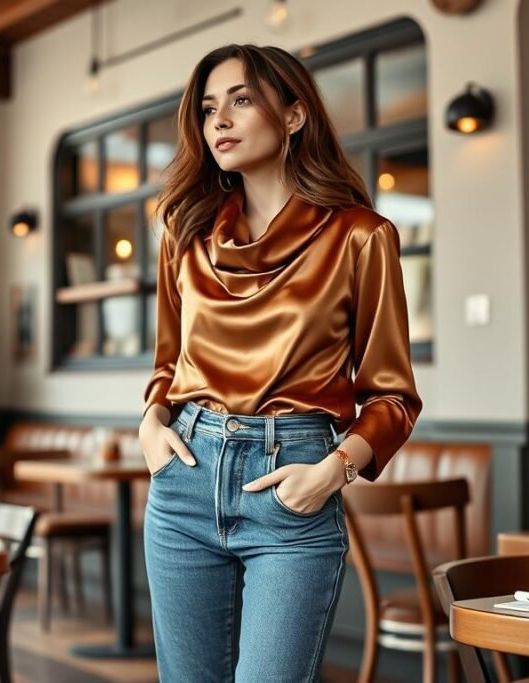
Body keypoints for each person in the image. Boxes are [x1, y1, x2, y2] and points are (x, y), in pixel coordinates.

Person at [138, 44, 422, 682]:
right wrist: (150, 424)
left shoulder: (361, 236)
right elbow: (167, 363)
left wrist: (333, 472)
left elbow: (393, 398)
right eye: (209, 108)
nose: (220, 121)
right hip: (183, 480)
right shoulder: (184, 233)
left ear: (294, 116)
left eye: (241, 100)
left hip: (291, 485)